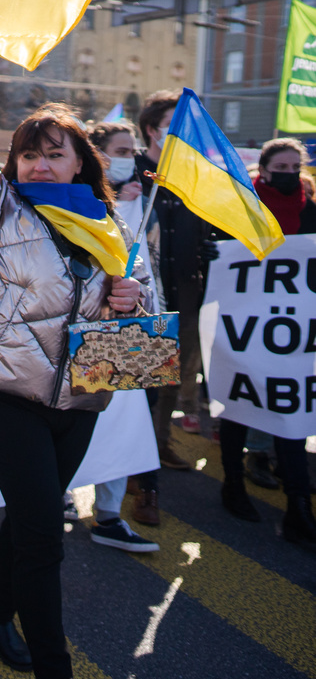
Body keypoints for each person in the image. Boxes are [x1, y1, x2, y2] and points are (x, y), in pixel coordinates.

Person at [0, 49, 153, 679]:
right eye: (29, 154)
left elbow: (138, 326)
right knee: (45, 536)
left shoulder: (108, 227)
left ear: (81, 161)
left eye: (54, 153)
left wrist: (130, 300)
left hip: (82, 402)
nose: (39, 165)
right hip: (8, 398)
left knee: (27, 527)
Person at [218, 137, 316, 544]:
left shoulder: (310, 208)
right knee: (238, 405)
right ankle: (233, 485)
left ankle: (298, 507)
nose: (290, 174)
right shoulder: (240, 204)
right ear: (263, 168)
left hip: (289, 333)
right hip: (244, 325)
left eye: (296, 167)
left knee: (288, 410)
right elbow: (223, 249)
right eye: (282, 167)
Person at [81, 121, 162, 549]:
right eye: (121, 150)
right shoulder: (75, 200)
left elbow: (149, 271)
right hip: (79, 332)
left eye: (133, 150)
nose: (130, 157)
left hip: (126, 329)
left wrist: (142, 296)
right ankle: (56, 499)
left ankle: (109, 514)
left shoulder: (138, 206)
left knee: (124, 421)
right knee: (73, 419)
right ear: (96, 155)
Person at [135, 90, 211, 463]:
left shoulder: (194, 177)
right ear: (151, 130)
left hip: (186, 292)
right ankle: (131, 461)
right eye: (172, 127)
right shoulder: (128, 173)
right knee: (136, 380)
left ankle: (159, 444)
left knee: (171, 378)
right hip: (140, 299)